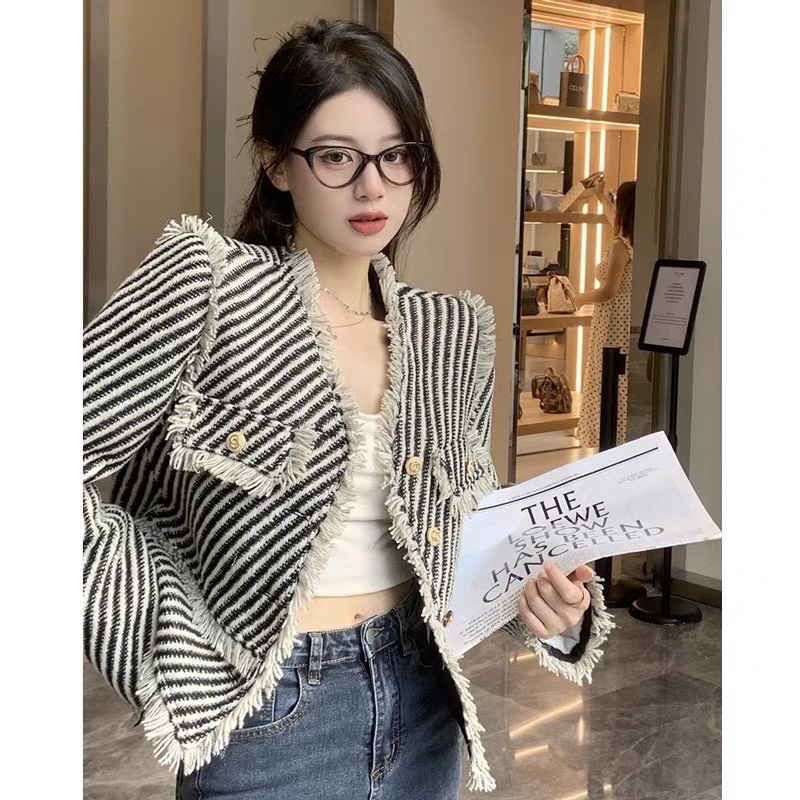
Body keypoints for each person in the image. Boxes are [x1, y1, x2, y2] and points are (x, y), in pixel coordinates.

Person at [83, 19, 614, 800]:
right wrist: (160, 628)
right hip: (268, 720)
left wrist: (551, 607)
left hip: (423, 701)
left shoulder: (448, 330)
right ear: (276, 162)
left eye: (397, 155)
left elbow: (464, 530)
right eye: (337, 157)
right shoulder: (212, 286)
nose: (373, 187)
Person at [573, 180, 636, 449]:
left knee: (607, 378)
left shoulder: (620, 245)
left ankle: (608, 437)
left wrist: (580, 297)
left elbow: (608, 290)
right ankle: (620, 436)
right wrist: (600, 196)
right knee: (621, 381)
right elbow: (614, 220)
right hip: (625, 319)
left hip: (611, 322)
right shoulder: (636, 239)